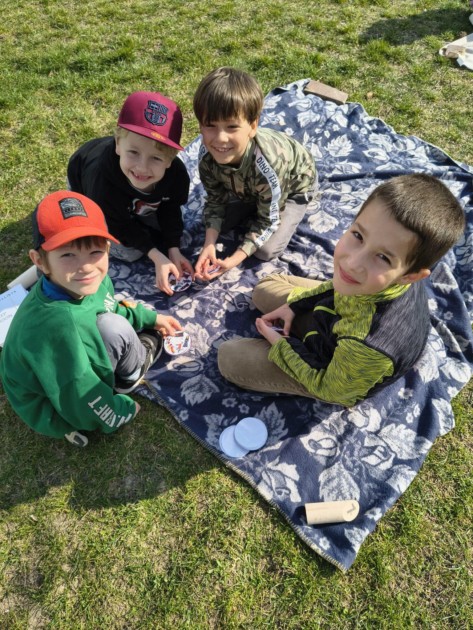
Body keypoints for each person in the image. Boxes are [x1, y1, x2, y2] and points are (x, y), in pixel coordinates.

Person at [218, 174, 465, 407]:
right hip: (339, 322)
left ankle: (300, 342)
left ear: (410, 277)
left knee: (229, 359)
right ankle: (305, 322)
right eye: (358, 235)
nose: (352, 263)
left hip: (335, 373)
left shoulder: (370, 344)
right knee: (264, 289)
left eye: (383, 257)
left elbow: (332, 390)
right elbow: (338, 288)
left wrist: (282, 345)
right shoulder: (377, 277)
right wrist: (295, 306)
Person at [0, 191, 182, 447]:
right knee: (114, 334)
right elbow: (78, 391)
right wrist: (119, 411)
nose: (86, 267)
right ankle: (127, 378)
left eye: (95, 252)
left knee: (109, 323)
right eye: (68, 255)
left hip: (57, 378)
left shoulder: (80, 283)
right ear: (40, 261)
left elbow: (109, 306)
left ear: (108, 249)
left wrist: (148, 318)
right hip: (51, 405)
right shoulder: (59, 327)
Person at [193, 67, 317, 280]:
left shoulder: (269, 165)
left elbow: (269, 220)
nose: (220, 138)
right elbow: (215, 200)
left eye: (232, 127)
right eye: (210, 125)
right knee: (214, 224)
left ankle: (294, 200)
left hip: (294, 186)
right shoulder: (207, 154)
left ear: (252, 126)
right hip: (249, 188)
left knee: (265, 250)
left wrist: (233, 260)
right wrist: (209, 245)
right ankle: (252, 201)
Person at [67, 90, 192, 296]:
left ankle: (142, 216)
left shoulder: (176, 175)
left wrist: (173, 248)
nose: (142, 167)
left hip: (133, 200)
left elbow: (171, 208)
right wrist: (155, 255)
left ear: (170, 160)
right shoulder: (102, 182)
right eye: (133, 152)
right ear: (118, 144)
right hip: (84, 183)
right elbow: (119, 225)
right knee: (130, 252)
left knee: (175, 231)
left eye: (156, 158)